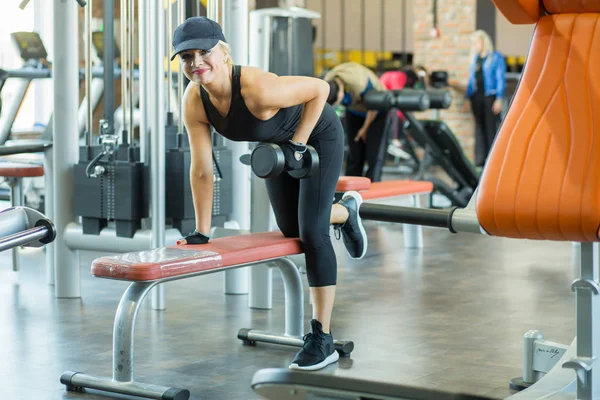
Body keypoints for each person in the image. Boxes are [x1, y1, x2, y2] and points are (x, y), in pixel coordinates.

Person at [171, 17, 368, 372]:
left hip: (318, 134)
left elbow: (320, 89)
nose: (197, 62)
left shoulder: (257, 88)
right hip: (277, 143)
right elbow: (201, 168)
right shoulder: (194, 100)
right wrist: (202, 230)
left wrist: (297, 144)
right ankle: (346, 211)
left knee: (312, 234)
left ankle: (321, 338)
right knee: (291, 227)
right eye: (187, 56)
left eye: (205, 52)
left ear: (224, 52)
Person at [324, 62, 389, 182]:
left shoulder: (359, 83)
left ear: (340, 92)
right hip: (354, 111)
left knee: (373, 155)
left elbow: (373, 106)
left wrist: (365, 129)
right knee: (355, 154)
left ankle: (372, 189)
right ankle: (351, 190)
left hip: (377, 109)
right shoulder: (328, 81)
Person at [464, 30, 506, 167]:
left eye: (477, 42)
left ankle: (493, 161)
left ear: (484, 42)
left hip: (490, 97)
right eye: (473, 43)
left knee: (491, 129)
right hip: (477, 98)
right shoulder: (475, 59)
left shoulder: (495, 57)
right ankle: (481, 160)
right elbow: (471, 81)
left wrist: (499, 98)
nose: (475, 45)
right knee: (480, 128)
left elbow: (500, 79)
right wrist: (467, 97)